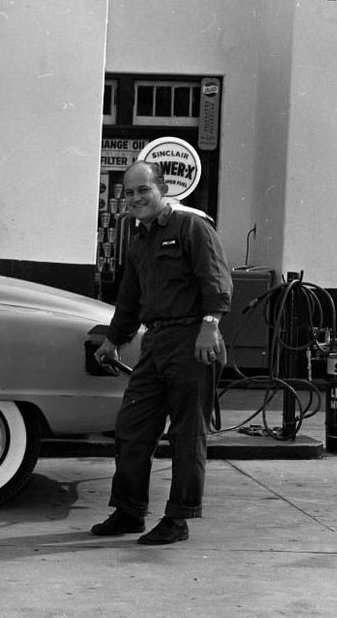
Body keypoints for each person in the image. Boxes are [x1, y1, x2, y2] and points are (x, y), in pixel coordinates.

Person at [91, 160, 232, 545]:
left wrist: (209, 327)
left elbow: (216, 280)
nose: (136, 198)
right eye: (130, 193)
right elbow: (130, 299)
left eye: (144, 190)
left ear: (163, 189)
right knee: (132, 429)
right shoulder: (140, 241)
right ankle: (129, 511)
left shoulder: (191, 227)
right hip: (155, 343)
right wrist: (113, 340)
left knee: (187, 434)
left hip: (192, 340)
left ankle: (178, 518)